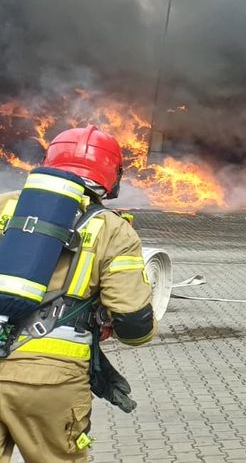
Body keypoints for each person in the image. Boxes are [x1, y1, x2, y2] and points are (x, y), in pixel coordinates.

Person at [0, 125, 155, 463]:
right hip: (48, 380)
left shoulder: (5, 206)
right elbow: (134, 324)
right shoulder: (113, 229)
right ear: (112, 176)